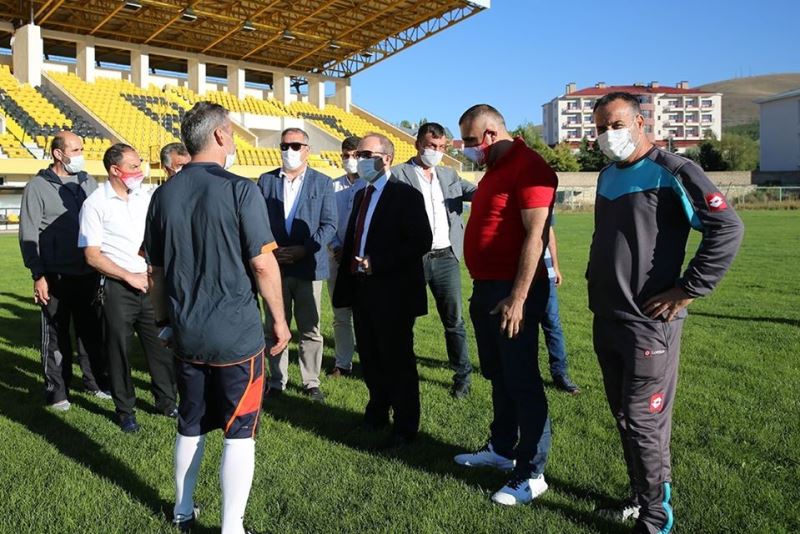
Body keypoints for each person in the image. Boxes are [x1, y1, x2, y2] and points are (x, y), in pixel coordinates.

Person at [588, 92, 744, 533]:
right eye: (600, 128)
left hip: (648, 324)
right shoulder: (606, 175)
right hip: (607, 316)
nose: (607, 135)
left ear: (641, 123)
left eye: (616, 125)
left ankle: (656, 515)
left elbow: (727, 227)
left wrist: (688, 289)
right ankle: (641, 496)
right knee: (625, 417)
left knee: (643, 420)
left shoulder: (674, 170)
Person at [144, 101, 291, 534]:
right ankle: (232, 527)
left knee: (190, 424)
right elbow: (263, 264)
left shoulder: (163, 193)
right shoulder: (241, 189)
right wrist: (280, 321)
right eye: (233, 132)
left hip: (186, 333)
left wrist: (163, 322)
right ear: (221, 136)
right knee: (239, 431)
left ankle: (182, 510)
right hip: (235, 336)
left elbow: (154, 271)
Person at [452, 104, 557, 506]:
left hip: (512, 291)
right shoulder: (494, 168)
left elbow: (536, 235)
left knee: (522, 378)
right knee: (499, 375)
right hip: (487, 288)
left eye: (469, 140)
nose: (466, 148)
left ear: (491, 134)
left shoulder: (529, 167)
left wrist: (519, 296)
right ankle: (501, 447)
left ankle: (531, 472)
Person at [332, 133, 432, 449]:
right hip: (362, 289)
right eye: (357, 154)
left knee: (397, 360)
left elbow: (421, 241)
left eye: (366, 154)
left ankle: (405, 426)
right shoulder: (362, 195)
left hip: (394, 293)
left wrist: (378, 262)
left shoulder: (406, 195)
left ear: (386, 158)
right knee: (371, 357)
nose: (358, 159)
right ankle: (377, 412)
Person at [78, 143, 177, 433]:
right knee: (118, 351)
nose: (140, 170)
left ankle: (167, 401)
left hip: (151, 285)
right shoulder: (95, 204)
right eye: (133, 166)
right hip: (118, 288)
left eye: (140, 163)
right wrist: (127, 276)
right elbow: (92, 255)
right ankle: (125, 410)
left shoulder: (146, 197)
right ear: (114, 170)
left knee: (160, 346)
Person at [19, 130, 110, 410]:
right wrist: (38, 274)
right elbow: (28, 234)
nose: (81, 155)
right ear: (58, 154)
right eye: (76, 150)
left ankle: (96, 383)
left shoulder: (89, 182)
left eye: (82, 149)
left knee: (91, 333)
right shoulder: (37, 187)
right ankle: (57, 391)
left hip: (89, 273)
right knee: (56, 336)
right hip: (55, 275)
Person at [391, 122, 475, 398]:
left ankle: (462, 376)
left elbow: (477, 193)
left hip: (446, 257)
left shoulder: (449, 175)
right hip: (411, 260)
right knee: (405, 320)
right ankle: (403, 372)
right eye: (431, 146)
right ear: (418, 144)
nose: (436, 152)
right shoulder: (398, 175)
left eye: (441, 147)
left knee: (454, 321)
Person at [257, 128, 336, 402]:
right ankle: (277, 380)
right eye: (284, 146)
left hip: (308, 267)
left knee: (309, 328)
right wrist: (271, 250)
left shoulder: (323, 182)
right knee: (274, 326)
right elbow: (257, 221)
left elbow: (329, 225)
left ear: (307, 150)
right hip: (275, 267)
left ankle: (311, 381)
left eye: (295, 146)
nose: (289, 151)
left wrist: (305, 249)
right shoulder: (265, 181)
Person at [326, 136, 364, 378]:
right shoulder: (332, 186)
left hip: (362, 260)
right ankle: (342, 364)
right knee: (340, 315)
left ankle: (369, 361)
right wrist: (335, 247)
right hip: (335, 258)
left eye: (354, 155)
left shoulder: (369, 186)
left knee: (364, 314)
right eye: (345, 155)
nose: (349, 160)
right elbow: (325, 220)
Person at [541, 222, 579, 394]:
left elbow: (549, 231)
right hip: (518, 275)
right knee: (523, 327)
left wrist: (555, 267)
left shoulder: (544, 204)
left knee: (552, 325)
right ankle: (525, 372)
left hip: (546, 274)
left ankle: (560, 374)